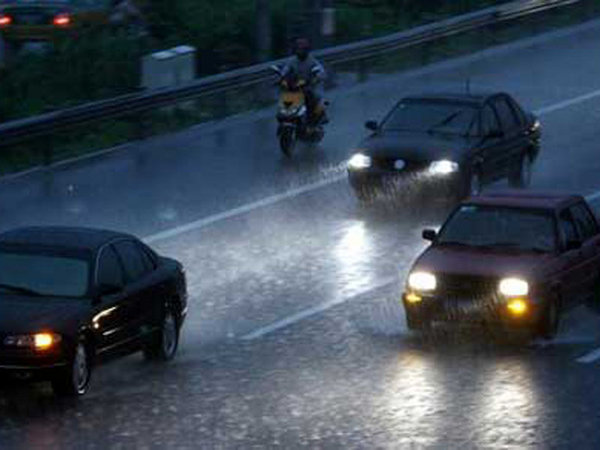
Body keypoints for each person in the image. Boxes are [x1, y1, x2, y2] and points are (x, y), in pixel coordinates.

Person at [282, 37, 328, 124]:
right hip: (295, 86)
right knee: (286, 94)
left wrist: (317, 77)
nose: (300, 51)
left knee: (315, 96)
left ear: (307, 50)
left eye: (302, 49)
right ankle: (286, 114)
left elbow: (321, 72)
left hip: (310, 86)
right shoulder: (292, 61)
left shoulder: (312, 61)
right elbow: (285, 71)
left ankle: (320, 115)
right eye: (298, 49)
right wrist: (281, 78)